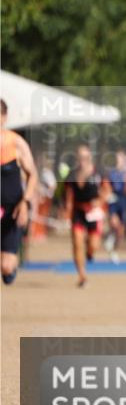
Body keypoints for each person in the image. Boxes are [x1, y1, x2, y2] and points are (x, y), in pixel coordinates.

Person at [1, 99, 38, 286]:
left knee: (6, 269)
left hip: (12, 210)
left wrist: (25, 202)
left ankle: (9, 264)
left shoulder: (16, 143)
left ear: (4, 117)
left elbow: (33, 175)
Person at [64, 144, 108, 288]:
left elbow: (107, 191)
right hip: (78, 212)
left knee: (93, 245)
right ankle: (82, 276)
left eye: (85, 157)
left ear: (90, 157)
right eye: (80, 157)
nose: (82, 160)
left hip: (94, 213)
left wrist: (99, 201)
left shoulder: (98, 173)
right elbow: (69, 196)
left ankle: (90, 253)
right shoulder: (71, 175)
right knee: (77, 243)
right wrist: (67, 212)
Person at [104, 150, 126, 264]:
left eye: (121, 158)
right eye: (117, 158)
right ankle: (110, 235)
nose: (119, 161)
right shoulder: (112, 173)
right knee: (114, 223)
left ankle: (114, 250)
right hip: (113, 201)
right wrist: (108, 194)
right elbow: (106, 186)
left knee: (121, 231)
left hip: (123, 201)